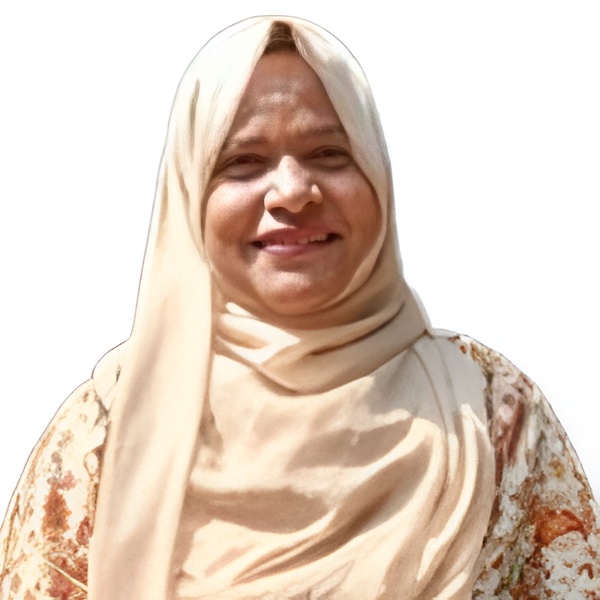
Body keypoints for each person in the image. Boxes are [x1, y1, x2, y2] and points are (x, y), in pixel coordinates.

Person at [1, 16, 598, 600]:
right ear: (189, 193)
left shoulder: (494, 416)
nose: (291, 192)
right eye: (243, 161)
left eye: (330, 153)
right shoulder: (105, 432)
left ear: (379, 176)